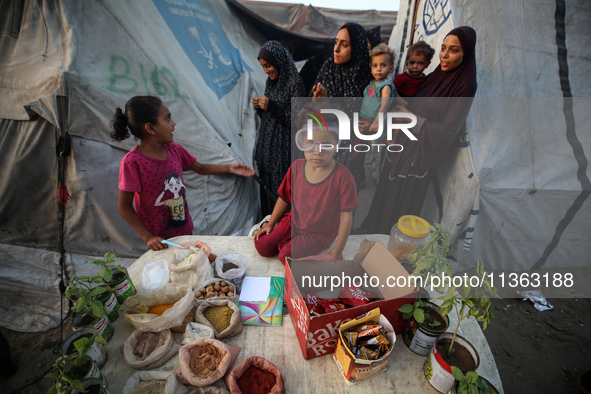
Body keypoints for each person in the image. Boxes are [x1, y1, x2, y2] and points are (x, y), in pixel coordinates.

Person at [358, 26, 478, 235]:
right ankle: (371, 234)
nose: (445, 54)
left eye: (454, 50)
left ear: (466, 53)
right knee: (384, 198)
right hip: (399, 147)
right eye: (443, 48)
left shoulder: (465, 85)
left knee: (399, 209)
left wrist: (410, 118)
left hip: (417, 158)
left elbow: (446, 131)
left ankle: (389, 251)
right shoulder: (435, 75)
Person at [111, 96, 255, 251]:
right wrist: (148, 237)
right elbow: (124, 206)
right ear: (150, 128)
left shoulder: (175, 150)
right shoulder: (132, 162)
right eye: (167, 119)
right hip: (159, 240)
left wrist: (229, 168)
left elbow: (199, 168)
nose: (173, 123)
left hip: (185, 230)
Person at [253, 125, 358, 263]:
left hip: (319, 234)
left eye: (326, 145)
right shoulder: (296, 167)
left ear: (336, 147)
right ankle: (281, 236)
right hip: (293, 221)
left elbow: (346, 215)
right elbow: (284, 198)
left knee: (285, 256)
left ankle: (287, 244)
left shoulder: (343, 176)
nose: (317, 151)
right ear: (301, 144)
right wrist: (271, 224)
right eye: (310, 143)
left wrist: (338, 249)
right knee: (263, 247)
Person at [311, 22, 372, 187]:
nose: (336, 49)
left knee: (347, 198)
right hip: (328, 145)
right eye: (336, 42)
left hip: (355, 147)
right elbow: (312, 110)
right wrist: (319, 100)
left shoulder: (367, 74)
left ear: (357, 48)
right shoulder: (328, 69)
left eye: (344, 45)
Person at [253, 40, 305, 218]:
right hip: (267, 150)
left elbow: (298, 122)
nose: (266, 70)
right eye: (263, 67)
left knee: (282, 192)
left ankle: (284, 228)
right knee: (267, 189)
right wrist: (261, 108)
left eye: (268, 65)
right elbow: (270, 117)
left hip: (283, 153)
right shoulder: (270, 82)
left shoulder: (295, 83)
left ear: (279, 60)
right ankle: (269, 226)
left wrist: (272, 106)